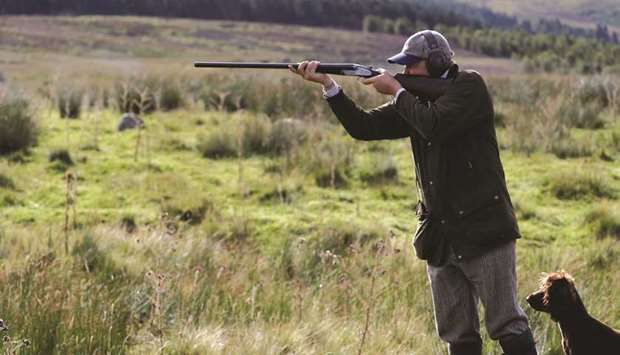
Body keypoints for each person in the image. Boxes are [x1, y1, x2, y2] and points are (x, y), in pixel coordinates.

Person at [290, 30, 538, 355]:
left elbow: (435, 124)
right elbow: (364, 127)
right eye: (402, 68)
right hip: (440, 236)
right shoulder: (415, 101)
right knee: (457, 334)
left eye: (412, 66)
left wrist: (395, 90)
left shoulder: (469, 86)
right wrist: (329, 86)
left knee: (506, 324)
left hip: (483, 231)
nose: (405, 73)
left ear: (436, 63)